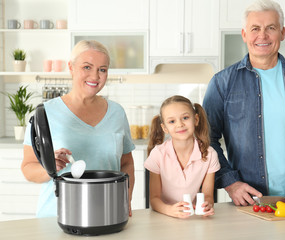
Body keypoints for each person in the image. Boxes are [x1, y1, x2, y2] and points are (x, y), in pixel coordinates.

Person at [203, 0, 285, 207]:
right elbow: (206, 138)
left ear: (282, 33)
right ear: (244, 34)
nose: (262, 36)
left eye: (270, 28)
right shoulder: (221, 83)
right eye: (255, 28)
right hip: (247, 201)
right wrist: (231, 183)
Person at [21, 40, 135, 217]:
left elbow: (126, 162)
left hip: (107, 213)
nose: (95, 76)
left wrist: (126, 197)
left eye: (102, 69)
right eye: (87, 67)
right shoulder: (46, 114)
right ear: (71, 67)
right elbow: (28, 168)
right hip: (56, 216)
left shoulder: (117, 113)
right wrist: (49, 168)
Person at [144, 95, 220, 218]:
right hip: (164, 216)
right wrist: (170, 211)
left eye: (185, 118)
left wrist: (208, 205)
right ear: (165, 128)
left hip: (193, 217)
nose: (180, 124)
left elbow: (208, 196)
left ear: (196, 119)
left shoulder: (210, 154)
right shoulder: (158, 154)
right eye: (172, 121)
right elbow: (154, 199)